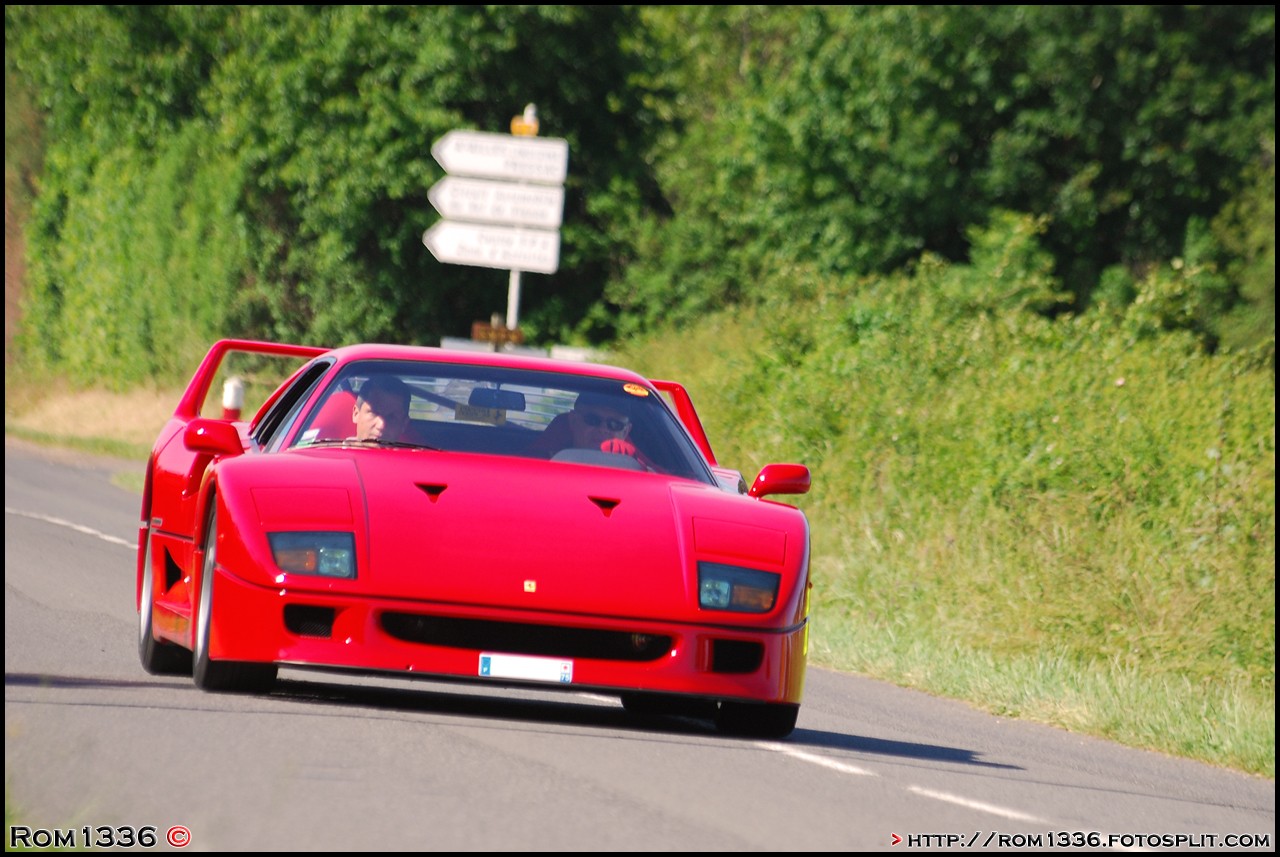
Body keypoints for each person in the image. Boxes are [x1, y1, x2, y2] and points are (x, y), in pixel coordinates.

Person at [352, 375, 411, 442]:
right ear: (356, 414)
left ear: (404, 424)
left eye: (391, 417)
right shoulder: (339, 451)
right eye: (374, 413)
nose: (381, 426)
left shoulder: (418, 452)